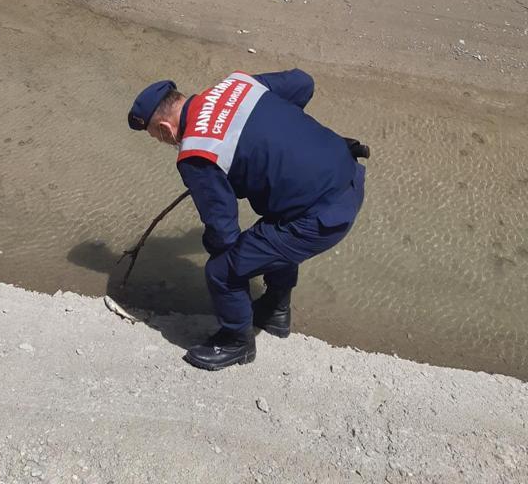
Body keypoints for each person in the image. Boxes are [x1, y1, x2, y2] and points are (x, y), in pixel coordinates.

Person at [127, 69, 367, 371]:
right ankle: (275, 311)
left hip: (322, 216)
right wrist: (282, 135)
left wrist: (217, 248)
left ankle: (236, 342)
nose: (164, 142)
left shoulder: (196, 154)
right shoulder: (237, 85)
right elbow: (303, 83)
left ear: (165, 128)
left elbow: (224, 231)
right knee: (271, 234)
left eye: (156, 137)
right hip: (349, 172)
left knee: (222, 271)